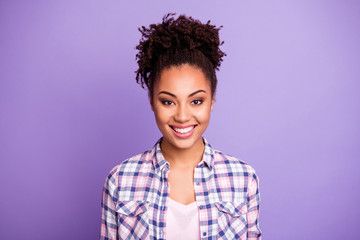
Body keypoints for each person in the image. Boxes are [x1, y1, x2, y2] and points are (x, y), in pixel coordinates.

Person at [101, 13, 261, 240]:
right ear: (152, 102)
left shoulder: (243, 179)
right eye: (168, 101)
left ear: (212, 100)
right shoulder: (120, 180)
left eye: (196, 101)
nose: (183, 116)